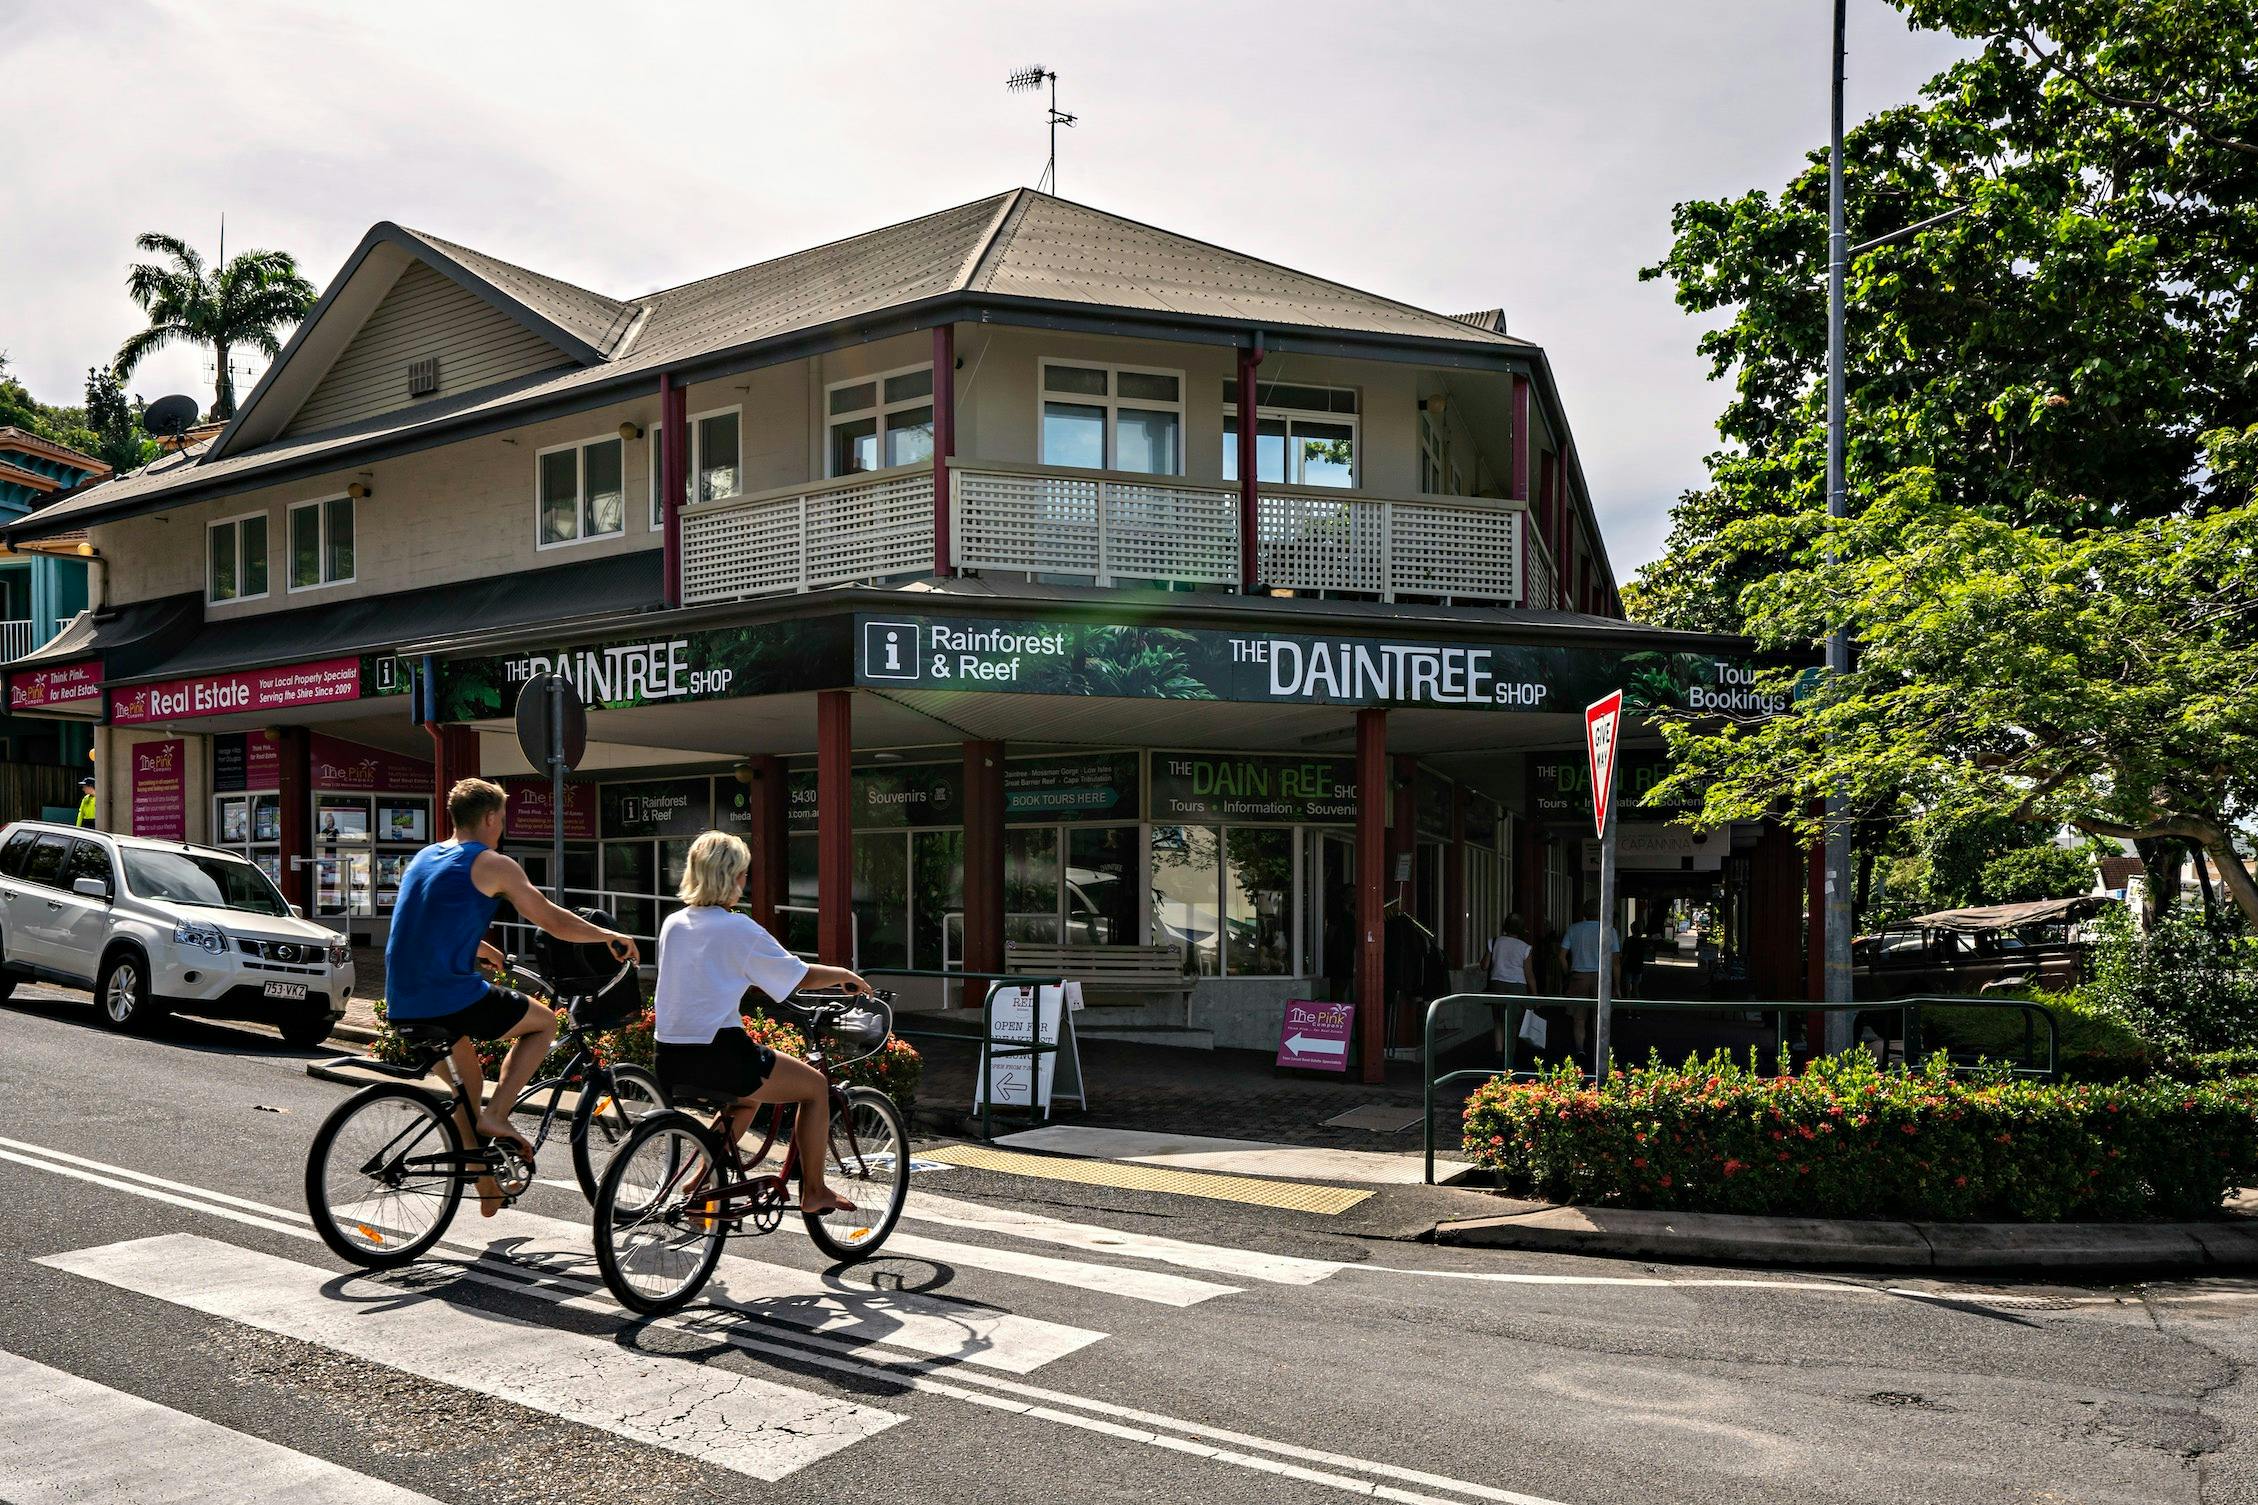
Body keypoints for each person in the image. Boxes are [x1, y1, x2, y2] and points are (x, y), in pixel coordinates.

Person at [385, 778, 639, 1215]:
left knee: (468, 1087)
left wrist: (477, 947)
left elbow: (424, 921)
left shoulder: (426, 856)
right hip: (449, 995)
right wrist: (607, 935)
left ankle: (485, 1184)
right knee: (544, 1022)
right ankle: (498, 1115)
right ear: (488, 818)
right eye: (502, 819)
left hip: (403, 998)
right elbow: (552, 919)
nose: (502, 827)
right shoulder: (492, 864)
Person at [654, 830, 871, 1217]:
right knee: (816, 1088)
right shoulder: (738, 928)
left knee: (747, 1097)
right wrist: (842, 974)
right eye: (743, 874)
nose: (745, 882)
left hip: (669, 1055)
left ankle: (700, 1181)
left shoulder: (673, 923)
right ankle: (816, 1191)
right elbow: (797, 975)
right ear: (731, 877)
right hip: (720, 1052)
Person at [1557, 897, 1621, 1066]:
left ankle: (1580, 1049)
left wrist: (1567, 974)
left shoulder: (1573, 929)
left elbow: (1561, 957)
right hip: (1602, 977)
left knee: (1579, 1018)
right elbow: (1615, 962)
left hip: (1579, 976)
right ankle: (1598, 1050)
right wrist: (1618, 986)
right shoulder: (1609, 931)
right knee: (1599, 1016)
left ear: (1585, 913)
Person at [1485, 913, 1533, 1061]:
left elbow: (1484, 965)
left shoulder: (1494, 942)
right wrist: (1535, 994)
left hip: (1497, 984)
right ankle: (1510, 1054)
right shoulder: (1525, 947)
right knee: (1513, 1023)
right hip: (1518, 986)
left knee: (1498, 1020)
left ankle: (1498, 1052)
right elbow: (1529, 973)